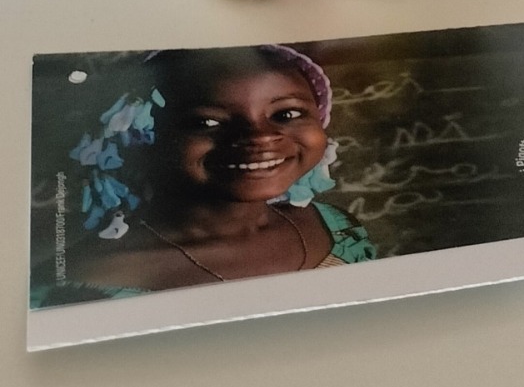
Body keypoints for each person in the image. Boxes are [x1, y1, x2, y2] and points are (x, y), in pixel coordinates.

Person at [43, 45, 373, 302]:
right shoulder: (85, 282)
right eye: (207, 122)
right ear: (139, 136)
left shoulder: (336, 228)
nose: (260, 137)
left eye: (287, 114)